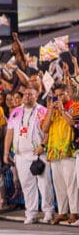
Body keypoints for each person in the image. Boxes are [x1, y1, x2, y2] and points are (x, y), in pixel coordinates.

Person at [4, 87, 54, 224]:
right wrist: (6, 152)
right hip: (21, 154)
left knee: (44, 184)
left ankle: (48, 211)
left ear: (36, 96)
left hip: (39, 153)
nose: (27, 96)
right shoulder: (16, 112)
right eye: (25, 94)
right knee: (27, 185)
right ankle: (31, 213)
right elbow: (9, 133)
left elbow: (49, 130)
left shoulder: (42, 111)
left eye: (30, 94)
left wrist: (42, 145)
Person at [41, 84, 79, 225]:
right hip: (54, 151)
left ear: (68, 92)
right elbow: (45, 129)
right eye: (57, 95)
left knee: (71, 183)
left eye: (62, 94)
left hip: (68, 150)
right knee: (59, 184)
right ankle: (62, 212)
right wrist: (51, 110)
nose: (60, 97)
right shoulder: (52, 109)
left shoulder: (75, 106)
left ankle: (74, 212)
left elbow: (73, 123)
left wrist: (62, 110)